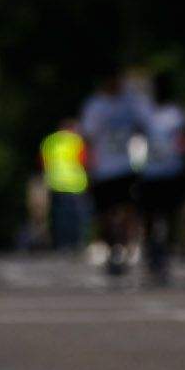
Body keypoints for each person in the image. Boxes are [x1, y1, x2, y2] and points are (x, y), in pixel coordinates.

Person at [79, 73, 153, 275]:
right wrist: (87, 166)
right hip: (104, 169)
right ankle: (113, 249)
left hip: (128, 166)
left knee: (129, 210)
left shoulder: (132, 103)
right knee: (104, 215)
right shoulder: (96, 106)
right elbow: (87, 137)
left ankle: (127, 248)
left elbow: (148, 126)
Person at [137, 82, 185, 283]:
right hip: (150, 172)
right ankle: (152, 251)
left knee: (171, 215)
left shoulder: (176, 114)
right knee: (150, 216)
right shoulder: (146, 113)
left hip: (171, 171)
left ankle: (166, 253)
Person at [39, 117, 90, 254]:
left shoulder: (50, 141)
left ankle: (62, 245)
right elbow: (84, 161)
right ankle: (78, 244)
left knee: (59, 218)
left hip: (55, 183)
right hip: (75, 184)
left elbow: (43, 163)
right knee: (77, 218)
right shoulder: (76, 141)